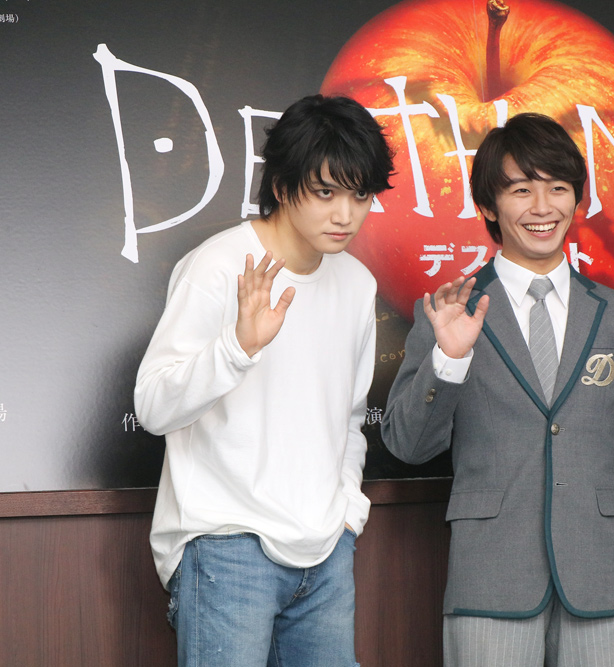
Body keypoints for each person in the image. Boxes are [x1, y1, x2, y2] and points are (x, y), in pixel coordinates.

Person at [381, 112, 614, 666]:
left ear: (576, 199)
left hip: (600, 579)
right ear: (488, 206)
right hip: (490, 579)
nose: (543, 207)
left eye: (558, 188)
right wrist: (449, 360)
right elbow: (408, 445)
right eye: (521, 190)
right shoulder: (448, 311)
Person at [134, 94, 394, 666]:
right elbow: (152, 405)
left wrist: (347, 516)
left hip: (325, 552)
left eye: (360, 195)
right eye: (325, 192)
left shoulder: (357, 283)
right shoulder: (219, 265)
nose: (345, 215)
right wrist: (237, 348)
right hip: (227, 545)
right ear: (282, 185)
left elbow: (350, 419)